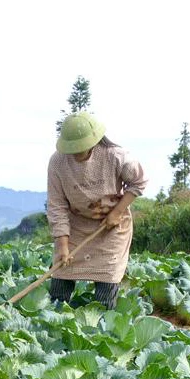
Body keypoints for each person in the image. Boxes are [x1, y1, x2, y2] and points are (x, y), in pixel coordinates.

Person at [46, 112, 148, 309]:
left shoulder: (116, 156)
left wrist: (117, 212)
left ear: (93, 141)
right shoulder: (58, 162)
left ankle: (103, 331)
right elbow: (57, 205)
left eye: (80, 148)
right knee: (60, 278)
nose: (75, 153)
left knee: (106, 282)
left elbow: (138, 182)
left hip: (111, 226)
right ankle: (55, 323)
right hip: (76, 225)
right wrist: (62, 244)